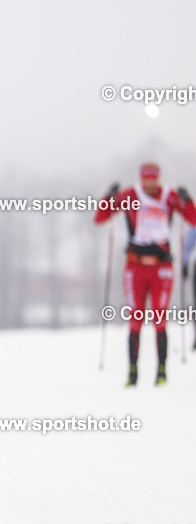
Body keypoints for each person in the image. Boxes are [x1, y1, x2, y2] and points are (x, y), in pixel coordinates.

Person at [94, 163, 196, 386]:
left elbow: (193, 219)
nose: (150, 184)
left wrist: (187, 200)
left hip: (162, 267)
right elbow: (101, 217)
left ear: (158, 179)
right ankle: (133, 373)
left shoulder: (169, 197)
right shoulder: (130, 195)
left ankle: (161, 371)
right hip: (135, 266)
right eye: (146, 179)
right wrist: (108, 197)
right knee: (136, 317)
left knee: (160, 317)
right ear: (141, 179)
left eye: (153, 179)